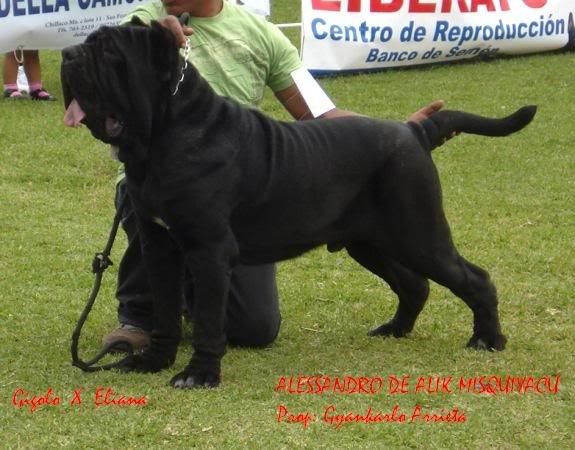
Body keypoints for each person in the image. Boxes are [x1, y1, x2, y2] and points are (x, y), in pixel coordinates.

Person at [103, 0, 445, 352]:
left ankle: (194, 291)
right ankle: (139, 316)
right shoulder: (145, 17)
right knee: (151, 207)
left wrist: (398, 137)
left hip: (231, 194)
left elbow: (320, 113)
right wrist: (151, 37)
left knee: (253, 328)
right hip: (157, 185)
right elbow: (122, 45)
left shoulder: (262, 36)